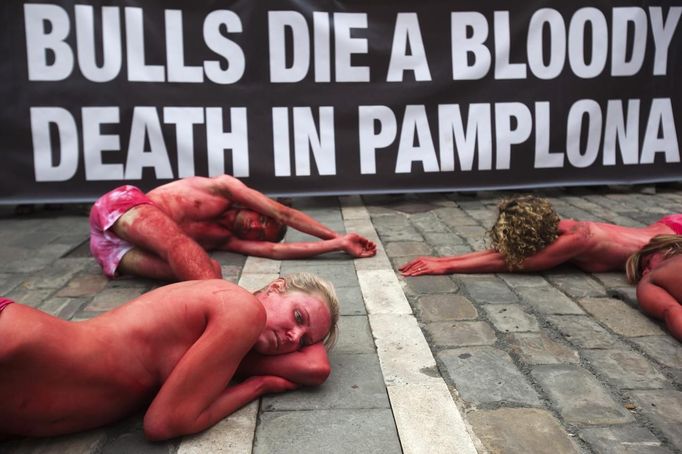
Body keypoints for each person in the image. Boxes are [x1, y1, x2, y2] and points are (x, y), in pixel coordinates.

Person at [0, 273, 338, 440]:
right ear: (275, 286)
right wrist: (258, 386)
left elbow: (315, 367)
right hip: (18, 343)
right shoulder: (241, 309)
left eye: (305, 339)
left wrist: (308, 327)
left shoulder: (220, 336)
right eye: (298, 317)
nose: (294, 337)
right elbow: (166, 423)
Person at [89, 176, 376, 281]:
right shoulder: (224, 188)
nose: (254, 226)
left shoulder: (224, 238)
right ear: (256, 208)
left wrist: (338, 246)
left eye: (258, 232)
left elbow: (276, 250)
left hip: (111, 252)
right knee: (181, 248)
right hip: (121, 209)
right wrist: (336, 234)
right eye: (261, 220)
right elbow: (282, 213)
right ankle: (229, 313)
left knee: (208, 270)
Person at [400, 195, 682, 276]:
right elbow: (511, 255)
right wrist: (443, 258)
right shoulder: (565, 227)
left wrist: (445, 264)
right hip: (668, 225)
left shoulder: (578, 238)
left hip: (670, 242)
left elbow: (509, 262)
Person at [626, 235, 682, 341]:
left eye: (647, 262)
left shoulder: (649, 280)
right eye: (642, 273)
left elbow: (673, 312)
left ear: (667, 246)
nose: (645, 272)